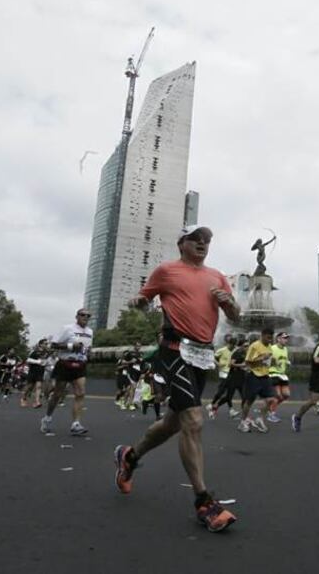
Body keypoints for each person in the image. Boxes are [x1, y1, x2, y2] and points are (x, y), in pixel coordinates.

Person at [113, 224, 240, 532]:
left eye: (207, 239)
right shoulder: (166, 271)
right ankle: (204, 502)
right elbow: (143, 299)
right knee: (194, 421)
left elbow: (236, 316)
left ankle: (130, 456)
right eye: (196, 239)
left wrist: (229, 303)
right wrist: (139, 303)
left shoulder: (218, 276)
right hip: (173, 350)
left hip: (203, 355)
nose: (203, 243)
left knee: (173, 423)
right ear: (182, 243)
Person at [41, 310, 94, 435]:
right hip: (65, 364)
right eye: (82, 315)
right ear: (77, 316)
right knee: (57, 394)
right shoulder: (67, 328)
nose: (85, 317)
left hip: (80, 364)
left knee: (80, 393)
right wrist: (71, 346)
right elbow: (53, 344)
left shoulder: (90, 331)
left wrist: (89, 354)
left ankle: (76, 424)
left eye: (88, 316)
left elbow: (87, 348)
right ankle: (47, 418)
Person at [239, 328, 279, 433]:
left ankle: (260, 419)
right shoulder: (254, 346)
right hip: (254, 375)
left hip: (265, 375)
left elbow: (268, 360)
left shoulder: (269, 346)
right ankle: (243, 422)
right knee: (249, 401)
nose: (270, 340)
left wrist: (272, 361)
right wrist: (261, 358)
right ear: (262, 335)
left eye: (271, 338)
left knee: (271, 399)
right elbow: (248, 362)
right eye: (268, 338)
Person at [268, 332, 292, 422]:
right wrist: (272, 361)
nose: (286, 340)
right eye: (284, 338)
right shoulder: (272, 348)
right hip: (273, 373)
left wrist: (287, 362)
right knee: (278, 395)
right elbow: (266, 359)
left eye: (287, 338)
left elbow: (284, 359)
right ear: (278, 339)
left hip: (282, 375)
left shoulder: (285, 349)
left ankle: (269, 407)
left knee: (286, 395)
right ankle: (271, 414)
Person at [21, 342, 48, 409]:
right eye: (45, 343)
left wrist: (45, 363)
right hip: (33, 371)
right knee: (30, 387)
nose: (46, 345)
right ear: (40, 344)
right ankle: (23, 398)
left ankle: (37, 402)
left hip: (41, 371)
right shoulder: (34, 351)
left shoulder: (46, 353)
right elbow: (28, 360)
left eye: (47, 344)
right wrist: (38, 362)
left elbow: (46, 361)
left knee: (38, 386)